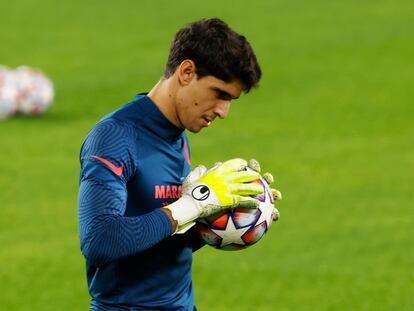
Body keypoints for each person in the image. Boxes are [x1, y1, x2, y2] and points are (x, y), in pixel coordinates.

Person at [78, 18, 281, 311]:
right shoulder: (115, 137)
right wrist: (193, 205)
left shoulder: (176, 135)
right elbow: (100, 241)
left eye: (231, 100)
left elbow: (158, 244)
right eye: (219, 94)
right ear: (186, 72)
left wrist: (230, 217)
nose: (224, 111)